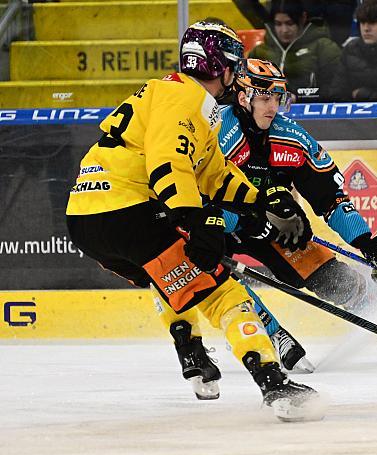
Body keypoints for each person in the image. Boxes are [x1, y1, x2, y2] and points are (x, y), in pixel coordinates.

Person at [65, 21, 322, 421]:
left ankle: (192, 351)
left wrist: (262, 197)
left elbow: (213, 173)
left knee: (168, 276)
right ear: (220, 67)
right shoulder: (185, 99)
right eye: (234, 66)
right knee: (224, 294)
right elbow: (169, 165)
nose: (236, 75)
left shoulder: (176, 96)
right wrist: (197, 221)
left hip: (87, 219)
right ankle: (274, 385)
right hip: (127, 210)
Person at [215, 58, 377, 366]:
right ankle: (268, 332)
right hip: (216, 220)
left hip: (270, 222)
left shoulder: (291, 137)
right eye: (265, 98)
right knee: (210, 266)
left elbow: (331, 199)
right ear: (243, 98)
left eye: (277, 98)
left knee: (335, 279)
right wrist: (245, 220)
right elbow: (198, 199)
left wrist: (368, 244)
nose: (272, 106)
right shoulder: (216, 131)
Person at [247, 0, 342, 102]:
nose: (284, 30)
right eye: (278, 24)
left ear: (303, 18)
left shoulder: (324, 48)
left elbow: (335, 90)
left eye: (289, 23)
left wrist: (297, 97)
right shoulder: (259, 52)